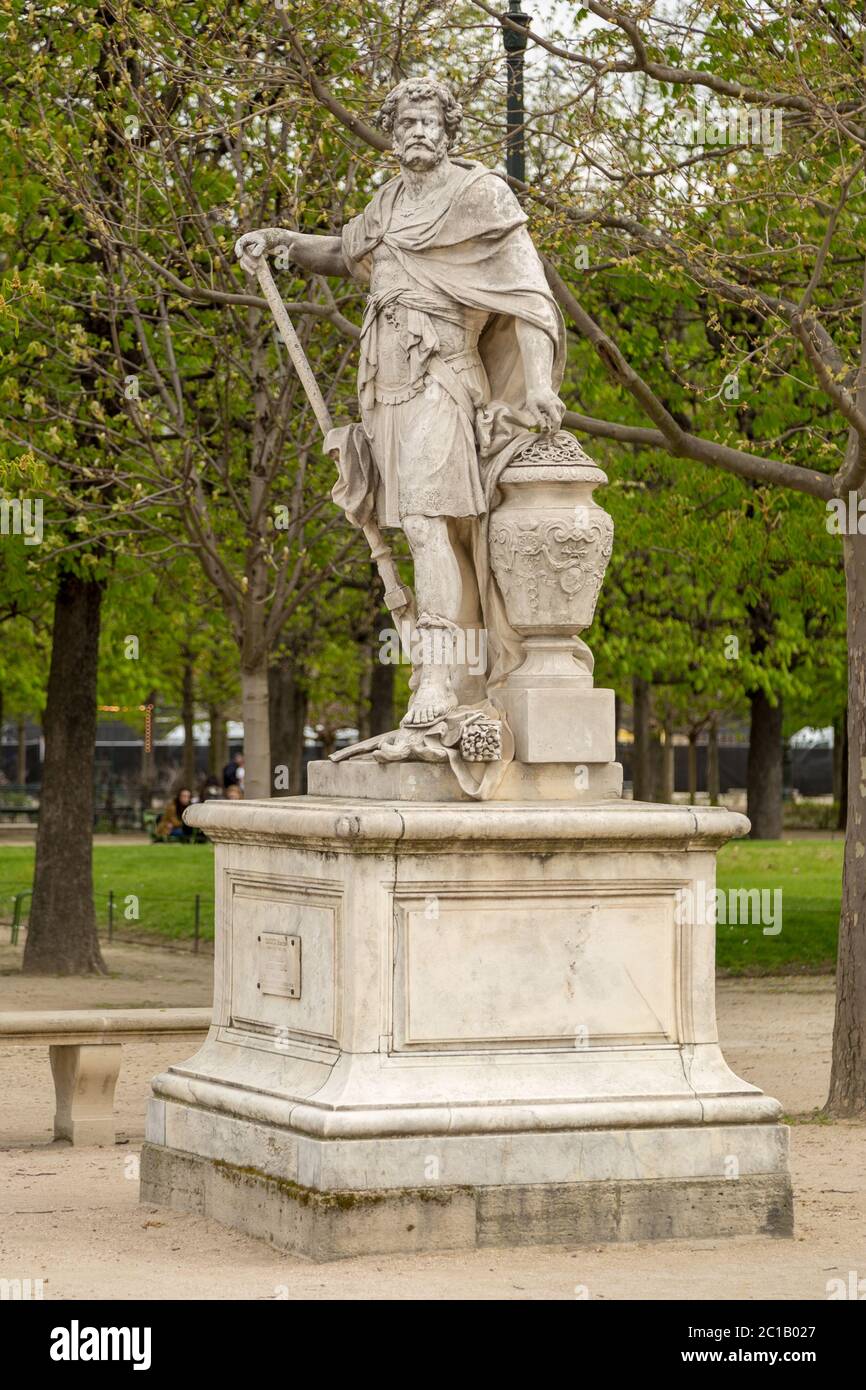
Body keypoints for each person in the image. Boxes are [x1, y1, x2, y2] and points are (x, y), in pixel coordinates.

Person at [236, 76, 564, 729]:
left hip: (446, 374)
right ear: (392, 134)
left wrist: (540, 384)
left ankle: (440, 680)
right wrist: (280, 241)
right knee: (422, 527)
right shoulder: (385, 206)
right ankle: (449, 671)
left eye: (428, 122)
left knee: (423, 519)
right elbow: (341, 252)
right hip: (384, 390)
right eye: (406, 123)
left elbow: (529, 296)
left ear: (448, 131)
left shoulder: (479, 197)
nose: (417, 132)